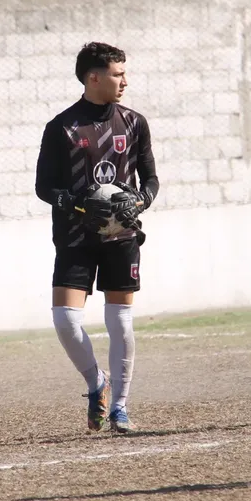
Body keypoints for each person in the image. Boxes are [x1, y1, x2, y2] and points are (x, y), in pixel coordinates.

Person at [35, 42, 160, 433]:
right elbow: (44, 187)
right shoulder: (62, 127)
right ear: (94, 77)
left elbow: (151, 179)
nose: (125, 80)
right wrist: (77, 203)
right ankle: (97, 383)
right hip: (74, 236)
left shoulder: (135, 122)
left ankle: (120, 407)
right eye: (118, 74)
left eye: (124, 73)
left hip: (121, 236)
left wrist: (140, 201)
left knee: (120, 324)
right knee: (65, 320)